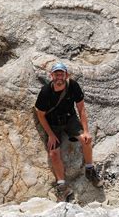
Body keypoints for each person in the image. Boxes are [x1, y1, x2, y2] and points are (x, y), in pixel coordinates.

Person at [35, 62, 102, 201]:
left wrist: (86, 130)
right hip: (53, 123)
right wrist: (51, 135)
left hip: (69, 119)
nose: (59, 76)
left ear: (66, 75)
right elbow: (40, 114)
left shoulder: (73, 86)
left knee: (86, 139)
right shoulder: (46, 92)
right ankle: (62, 187)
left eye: (61, 73)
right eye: (56, 74)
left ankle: (89, 169)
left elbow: (81, 109)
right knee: (53, 153)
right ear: (51, 75)